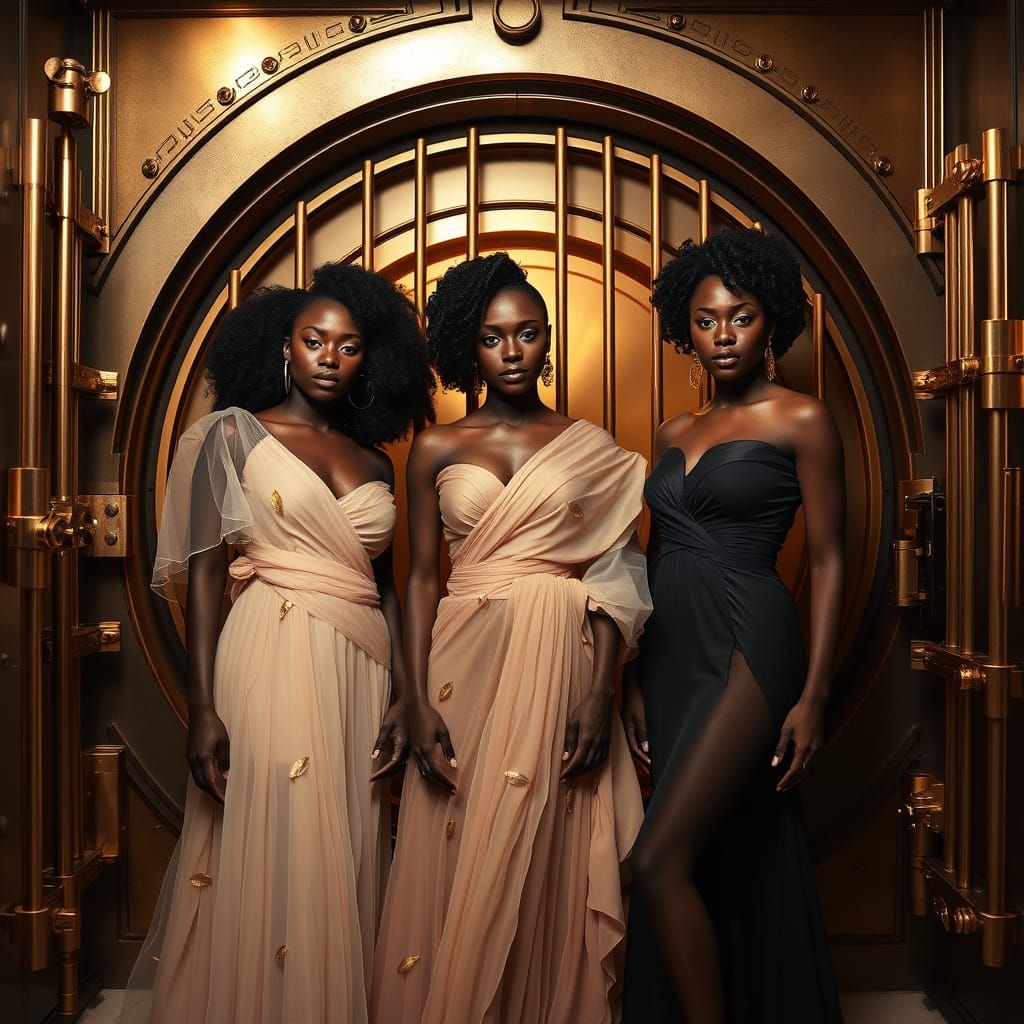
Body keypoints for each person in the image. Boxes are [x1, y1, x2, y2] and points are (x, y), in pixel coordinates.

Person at [120, 262, 434, 1024]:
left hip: (358, 665)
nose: (329, 356)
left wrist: (403, 692)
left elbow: (386, 586)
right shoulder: (231, 435)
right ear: (283, 348)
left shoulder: (374, 462)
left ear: (371, 359)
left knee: (347, 844)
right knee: (275, 840)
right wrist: (202, 707)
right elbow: (202, 576)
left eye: (349, 344)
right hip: (270, 647)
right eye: (313, 340)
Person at [371, 253, 650, 1024]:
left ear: (548, 342)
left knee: (550, 855)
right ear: (469, 348)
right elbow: (423, 577)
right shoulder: (436, 448)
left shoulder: (590, 445)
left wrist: (606, 690)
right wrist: (415, 694)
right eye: (494, 338)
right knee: (459, 843)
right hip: (464, 659)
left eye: (529, 333)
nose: (513, 350)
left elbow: (618, 573)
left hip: (563, 656)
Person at [622, 228, 845, 1023]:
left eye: (741, 318)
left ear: (771, 322)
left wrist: (814, 696)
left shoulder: (802, 420)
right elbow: (652, 560)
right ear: (688, 326)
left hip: (752, 640)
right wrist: (632, 678)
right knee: (719, 851)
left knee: (656, 860)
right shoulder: (673, 435)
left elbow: (825, 563)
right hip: (672, 651)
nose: (723, 335)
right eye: (707, 319)